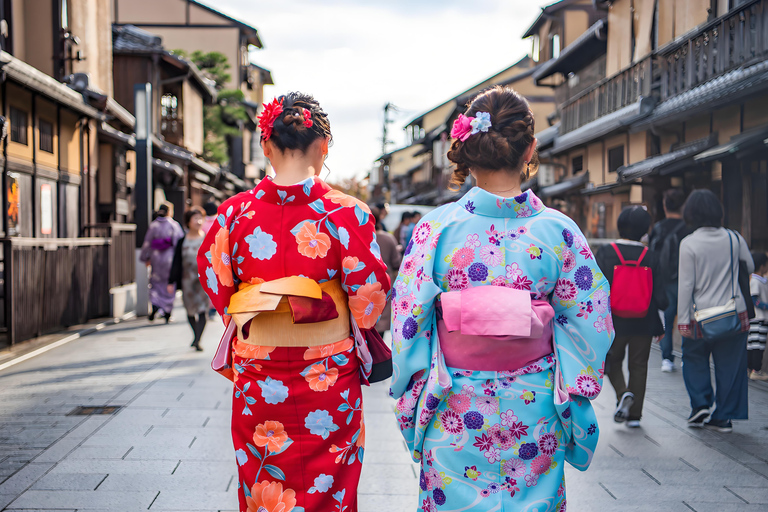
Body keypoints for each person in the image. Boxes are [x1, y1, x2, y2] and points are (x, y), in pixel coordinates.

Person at [390, 86, 613, 511]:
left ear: (466, 149)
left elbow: (407, 322)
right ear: (531, 148)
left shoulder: (435, 229)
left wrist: (414, 392)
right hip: (536, 405)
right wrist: (573, 384)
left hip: (454, 405)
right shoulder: (560, 231)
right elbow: (590, 320)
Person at [197, 92, 390, 512]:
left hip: (258, 367)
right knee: (331, 477)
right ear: (323, 146)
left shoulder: (233, 213)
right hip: (328, 370)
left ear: (266, 146)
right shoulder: (346, 213)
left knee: (264, 477)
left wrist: (262, 308)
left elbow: (217, 282)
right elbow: (368, 298)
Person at [678, 189, 754, 433]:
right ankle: (724, 416)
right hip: (734, 314)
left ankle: (700, 403)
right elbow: (749, 266)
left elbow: (686, 285)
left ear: (690, 213)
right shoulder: (734, 238)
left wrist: (682, 319)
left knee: (693, 357)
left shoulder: (688, 243)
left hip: (699, 316)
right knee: (731, 365)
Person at [596, 206, 668, 429]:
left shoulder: (607, 252)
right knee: (639, 365)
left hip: (613, 321)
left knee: (610, 361)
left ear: (620, 226)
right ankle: (635, 415)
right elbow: (661, 297)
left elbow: (596, 290)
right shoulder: (651, 255)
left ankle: (623, 393)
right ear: (645, 230)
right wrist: (660, 324)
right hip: (644, 321)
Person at [648, 189, 689, 372]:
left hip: (664, 280)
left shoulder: (658, 228)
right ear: (684, 206)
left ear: (665, 205)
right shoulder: (690, 228)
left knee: (667, 319)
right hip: (686, 277)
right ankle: (687, 356)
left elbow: (651, 256)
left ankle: (667, 358)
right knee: (688, 318)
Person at [169, 207, 209, 351]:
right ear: (188, 222)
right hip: (187, 281)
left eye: (200, 218)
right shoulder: (182, 241)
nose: (198, 221)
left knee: (203, 309)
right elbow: (176, 261)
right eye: (195, 218)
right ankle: (195, 336)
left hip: (204, 281)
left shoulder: (207, 238)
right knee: (190, 310)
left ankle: (197, 339)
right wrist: (171, 281)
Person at [140, 202, 184, 322]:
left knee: (155, 282)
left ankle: (155, 304)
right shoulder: (174, 225)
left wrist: (145, 257)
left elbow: (147, 242)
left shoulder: (153, 225)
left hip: (156, 257)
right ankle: (167, 310)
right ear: (170, 211)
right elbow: (178, 242)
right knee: (169, 284)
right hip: (169, 257)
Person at [370, 204, 401, 337]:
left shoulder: (360, 238)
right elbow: (396, 263)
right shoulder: (388, 238)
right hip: (385, 282)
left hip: (365, 281)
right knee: (382, 317)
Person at [748, 251, 768, 378]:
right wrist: (765, 306)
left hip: (760, 318)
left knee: (754, 344)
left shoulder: (762, 281)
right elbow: (754, 299)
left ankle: (751, 369)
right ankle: (756, 370)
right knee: (757, 345)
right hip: (758, 317)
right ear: (762, 266)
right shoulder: (756, 281)